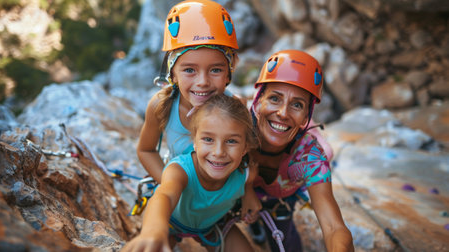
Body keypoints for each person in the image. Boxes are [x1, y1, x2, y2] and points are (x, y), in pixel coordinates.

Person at [121, 94, 260, 252]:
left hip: (212, 225)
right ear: (194, 141)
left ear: (245, 147)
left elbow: (248, 182)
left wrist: (249, 194)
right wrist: (154, 231)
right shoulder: (180, 171)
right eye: (208, 139)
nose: (219, 152)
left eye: (231, 141)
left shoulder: (247, 173)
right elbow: (164, 195)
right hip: (169, 222)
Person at [249, 50, 354, 252]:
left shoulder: (310, 158)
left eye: (297, 105)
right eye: (275, 99)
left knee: (284, 243)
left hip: (277, 199)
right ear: (258, 101)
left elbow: (333, 227)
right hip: (232, 192)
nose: (282, 113)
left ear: (307, 116)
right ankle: (255, 223)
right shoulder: (234, 130)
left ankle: (260, 225)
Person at [137, 0, 239, 183]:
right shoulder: (160, 106)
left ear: (228, 74)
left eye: (215, 70)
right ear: (172, 74)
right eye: (189, 70)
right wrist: (168, 185)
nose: (203, 82)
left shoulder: (236, 109)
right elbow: (146, 150)